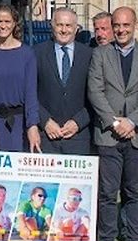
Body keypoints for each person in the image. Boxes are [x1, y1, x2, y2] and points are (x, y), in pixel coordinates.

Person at [86, 6, 138, 241]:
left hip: (137, 135)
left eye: (126, 25)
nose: (121, 30)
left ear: (135, 25)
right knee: (108, 192)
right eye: (117, 25)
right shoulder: (100, 54)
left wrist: (132, 122)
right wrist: (113, 122)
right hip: (108, 134)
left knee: (134, 191)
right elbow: (95, 91)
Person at [0, 4, 41, 153]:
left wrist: (32, 126)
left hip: (19, 126)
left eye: (7, 21)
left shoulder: (27, 54)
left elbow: (31, 94)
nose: (3, 26)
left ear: (14, 24)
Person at [34, 8, 93, 154]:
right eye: (60, 25)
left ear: (76, 28)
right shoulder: (36, 53)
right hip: (46, 136)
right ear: (52, 26)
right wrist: (45, 121)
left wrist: (78, 122)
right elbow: (29, 93)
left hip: (79, 137)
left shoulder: (90, 55)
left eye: (68, 26)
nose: (64, 30)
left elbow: (96, 95)